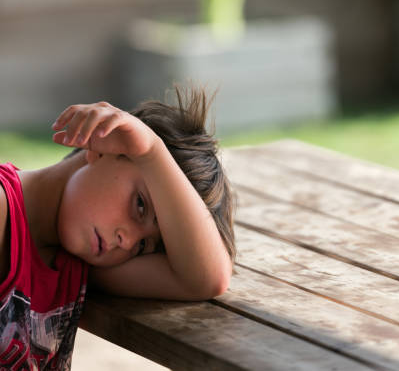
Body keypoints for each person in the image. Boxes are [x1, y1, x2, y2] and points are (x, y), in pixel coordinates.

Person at [0, 87, 235, 369]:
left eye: (143, 246)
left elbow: (206, 278)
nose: (127, 241)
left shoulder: (75, 266)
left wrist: (152, 151)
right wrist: (147, 152)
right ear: (101, 148)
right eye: (139, 206)